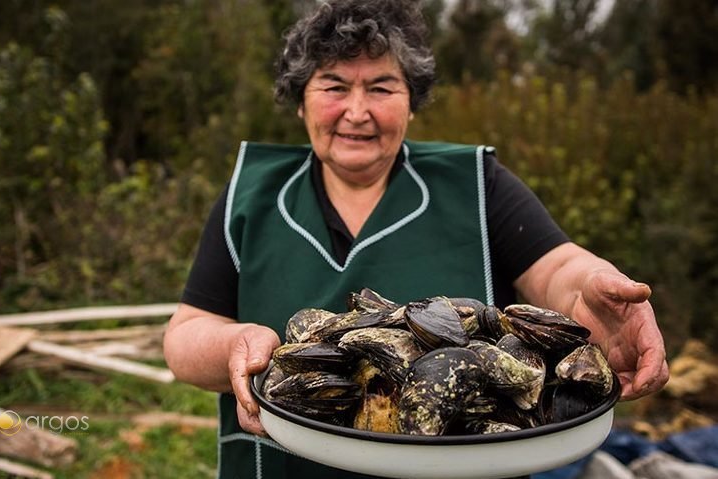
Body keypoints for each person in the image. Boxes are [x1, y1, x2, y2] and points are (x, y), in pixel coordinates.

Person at [164, 0, 670, 477]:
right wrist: (236, 343)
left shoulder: (475, 183)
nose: (357, 111)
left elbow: (557, 270)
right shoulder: (251, 193)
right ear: (301, 100)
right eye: (334, 86)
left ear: (412, 101)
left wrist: (594, 289)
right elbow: (185, 335)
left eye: (382, 88)